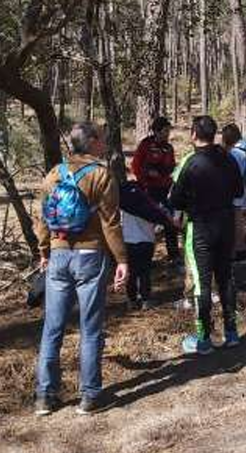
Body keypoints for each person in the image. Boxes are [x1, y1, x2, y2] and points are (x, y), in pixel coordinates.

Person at [34, 122, 129, 416]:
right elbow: (110, 223)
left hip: (59, 255)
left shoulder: (53, 175)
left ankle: (45, 396)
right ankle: (89, 396)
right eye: (100, 138)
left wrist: (44, 251)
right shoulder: (102, 175)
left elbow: (42, 220)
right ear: (90, 143)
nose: (103, 142)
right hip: (91, 255)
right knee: (90, 328)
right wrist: (122, 259)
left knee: (52, 328)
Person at [170, 115, 243, 354]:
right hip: (225, 225)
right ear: (214, 135)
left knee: (202, 282)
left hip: (200, 227)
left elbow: (175, 199)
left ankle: (203, 339)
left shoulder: (191, 162)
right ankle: (232, 332)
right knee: (226, 277)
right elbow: (238, 190)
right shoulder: (229, 158)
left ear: (193, 134)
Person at [120, 173, 176, 311]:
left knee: (131, 273)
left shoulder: (123, 206)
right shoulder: (149, 207)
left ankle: (131, 300)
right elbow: (159, 221)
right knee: (144, 271)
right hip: (146, 242)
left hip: (127, 241)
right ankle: (145, 299)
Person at [131, 116, 179, 263]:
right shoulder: (145, 145)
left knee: (170, 221)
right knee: (148, 223)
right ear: (157, 131)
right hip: (148, 189)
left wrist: (170, 175)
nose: (167, 134)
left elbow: (171, 167)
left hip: (165, 189)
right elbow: (135, 166)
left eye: (169, 131)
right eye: (165, 131)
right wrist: (146, 175)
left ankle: (173, 255)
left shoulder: (169, 147)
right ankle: (147, 257)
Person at [221, 123, 246, 263]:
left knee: (236, 223)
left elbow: (233, 174)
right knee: (239, 222)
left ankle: (238, 253)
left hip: (236, 192)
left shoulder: (235, 153)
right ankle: (239, 251)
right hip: (244, 190)